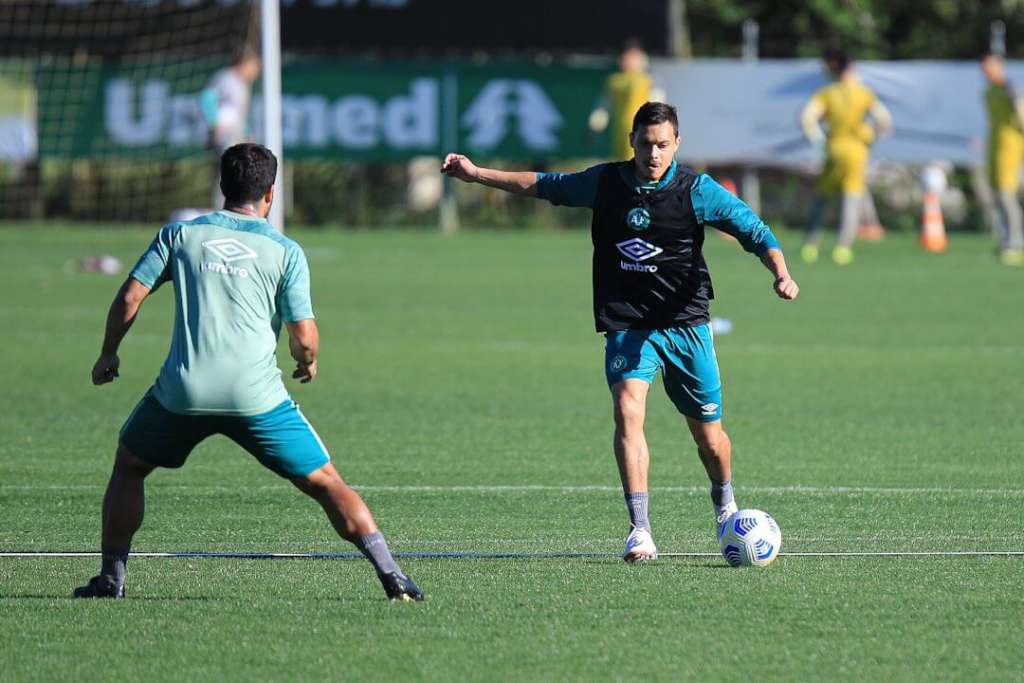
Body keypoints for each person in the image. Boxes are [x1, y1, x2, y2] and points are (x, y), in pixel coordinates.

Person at [441, 102, 799, 562]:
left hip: (686, 325)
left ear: (677, 145)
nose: (654, 154)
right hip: (629, 325)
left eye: (663, 145)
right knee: (628, 409)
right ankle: (640, 530)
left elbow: (753, 229)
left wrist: (780, 271)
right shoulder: (606, 182)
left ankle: (724, 502)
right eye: (646, 144)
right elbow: (543, 185)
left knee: (709, 437)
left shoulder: (697, 190)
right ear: (632, 141)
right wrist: (477, 175)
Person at [74, 143, 423, 602]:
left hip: (184, 391)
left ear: (222, 187)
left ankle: (111, 581)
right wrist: (307, 359)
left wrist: (108, 354)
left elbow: (130, 297)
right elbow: (304, 333)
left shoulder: (179, 235)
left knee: (131, 465)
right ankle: (392, 575)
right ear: (271, 194)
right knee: (326, 483)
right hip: (256, 397)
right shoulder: (285, 251)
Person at [800, 47, 892, 266]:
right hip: (857, 152)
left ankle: (811, 244)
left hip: (834, 148)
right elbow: (884, 119)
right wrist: (872, 137)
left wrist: (818, 138)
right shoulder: (864, 93)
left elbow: (807, 117)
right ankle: (843, 247)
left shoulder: (828, 93)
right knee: (851, 199)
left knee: (822, 197)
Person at [201, 50, 261, 211]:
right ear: (244, 63)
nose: (256, 72)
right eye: (254, 67)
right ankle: (221, 211)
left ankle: (234, 210)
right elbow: (207, 98)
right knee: (227, 174)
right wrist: (214, 124)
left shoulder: (242, 85)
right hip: (224, 137)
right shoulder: (225, 79)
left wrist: (247, 133)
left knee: (238, 174)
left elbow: (238, 114)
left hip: (237, 136)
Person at [981, 51, 1024, 266]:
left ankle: (1015, 244)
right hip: (996, 148)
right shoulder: (988, 92)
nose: (986, 71)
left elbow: (1020, 114)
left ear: (1000, 66)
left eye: (990, 66)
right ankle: (1007, 239)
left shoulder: (1010, 88)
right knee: (998, 196)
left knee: (1007, 196)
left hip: (1012, 148)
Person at [590, 40, 661, 162]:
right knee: (622, 165)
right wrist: (595, 126)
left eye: (634, 57)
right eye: (626, 57)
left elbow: (657, 103)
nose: (628, 60)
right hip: (620, 131)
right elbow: (604, 106)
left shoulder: (648, 80)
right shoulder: (614, 81)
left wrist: (656, 124)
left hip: (642, 130)